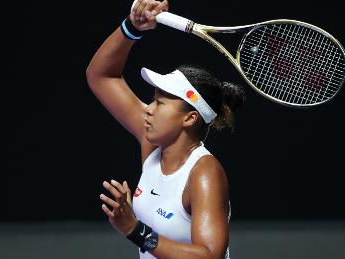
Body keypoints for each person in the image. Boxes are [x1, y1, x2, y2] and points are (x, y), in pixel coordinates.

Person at [86, 0, 245, 258]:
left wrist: (135, 230)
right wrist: (131, 27)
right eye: (152, 100)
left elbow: (209, 255)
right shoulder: (155, 145)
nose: (149, 109)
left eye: (159, 103)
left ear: (190, 118)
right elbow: (102, 76)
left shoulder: (204, 174)